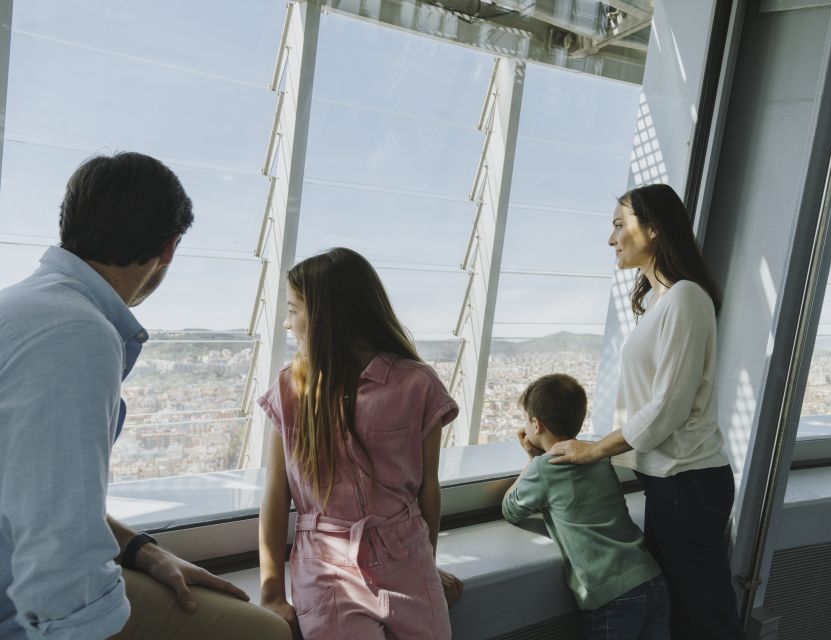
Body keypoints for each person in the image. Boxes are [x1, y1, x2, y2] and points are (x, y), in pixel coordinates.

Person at [0, 152, 291, 639]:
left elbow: (34, 493)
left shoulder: (23, 305)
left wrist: (141, 550)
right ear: (170, 249)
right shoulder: (76, 334)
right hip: (22, 606)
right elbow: (59, 559)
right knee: (265, 634)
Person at [546, 184, 745, 640]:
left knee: (707, 617)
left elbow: (666, 409)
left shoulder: (686, 298)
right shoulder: (661, 303)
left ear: (653, 229)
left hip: (688, 481)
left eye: (620, 225)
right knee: (684, 615)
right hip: (672, 482)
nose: (611, 238)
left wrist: (595, 450)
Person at [257, 247, 464, 640]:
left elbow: (428, 489)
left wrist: (427, 566)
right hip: (326, 570)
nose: (287, 323)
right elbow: (275, 494)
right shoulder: (290, 389)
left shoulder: (418, 385)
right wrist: (271, 591)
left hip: (409, 562)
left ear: (327, 316)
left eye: (294, 310)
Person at [501, 374, 669, 640]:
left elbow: (511, 510)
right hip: (651, 578)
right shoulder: (596, 455)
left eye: (526, 420)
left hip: (612, 594)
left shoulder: (545, 468)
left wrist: (533, 459)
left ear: (536, 424)